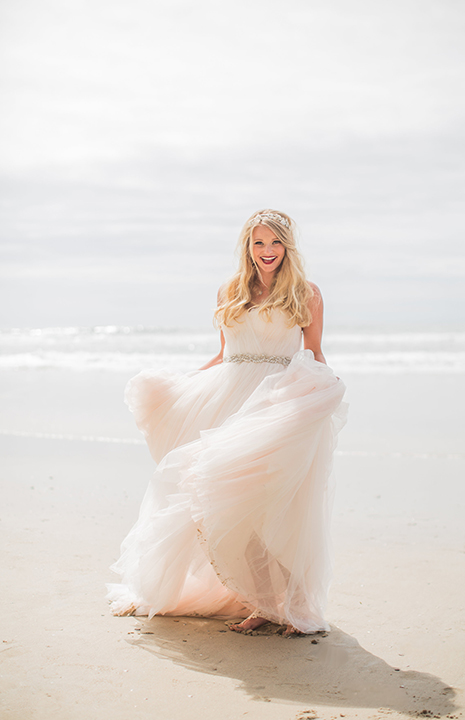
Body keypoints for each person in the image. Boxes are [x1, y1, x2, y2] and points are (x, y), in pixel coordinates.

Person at [107, 209, 347, 636]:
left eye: (275, 243)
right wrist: (182, 384)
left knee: (262, 506)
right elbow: (224, 355)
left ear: (287, 247)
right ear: (247, 246)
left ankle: (291, 603)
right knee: (212, 500)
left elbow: (313, 352)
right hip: (223, 397)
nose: (267, 251)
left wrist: (326, 386)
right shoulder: (229, 291)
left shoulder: (306, 293)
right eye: (258, 242)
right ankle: (261, 601)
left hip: (271, 404)